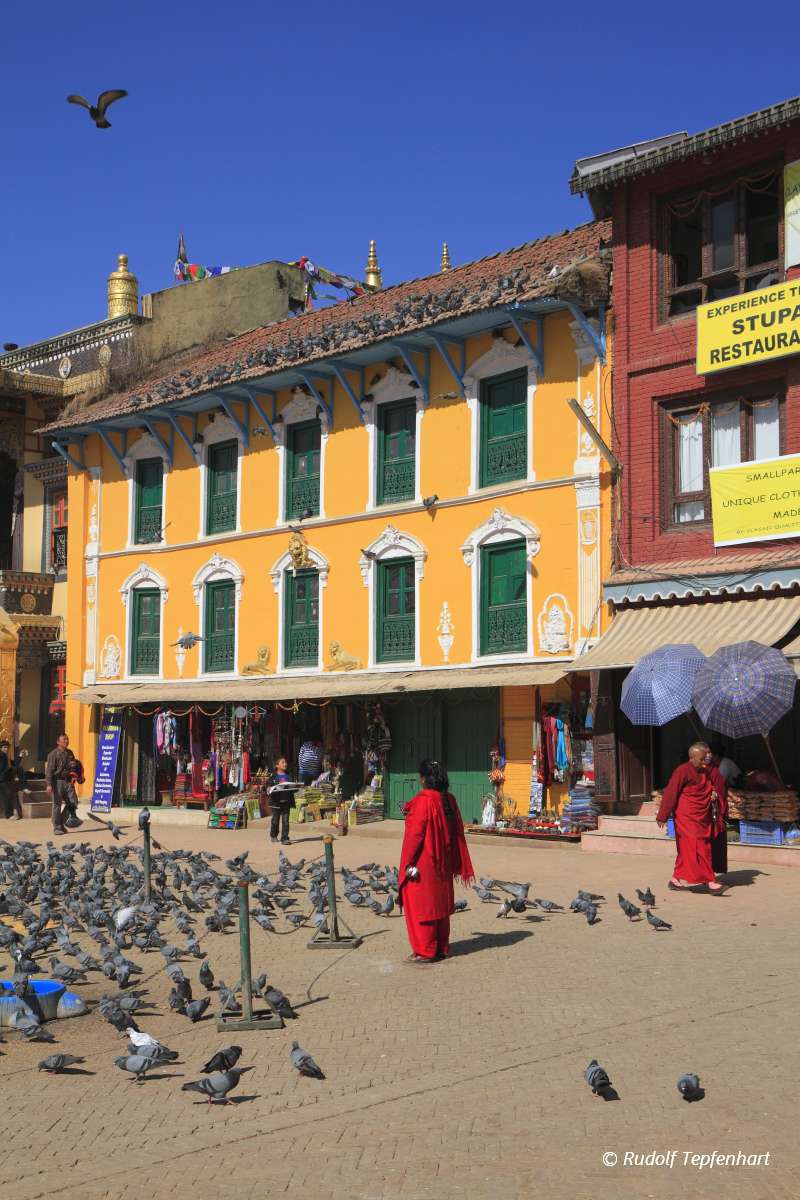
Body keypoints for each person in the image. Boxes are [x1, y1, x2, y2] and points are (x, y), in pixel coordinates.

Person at [398, 759, 475, 964]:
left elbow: (415, 836)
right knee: (439, 904)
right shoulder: (449, 799)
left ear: (423, 779)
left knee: (422, 905)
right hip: (444, 861)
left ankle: (426, 950)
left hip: (425, 861)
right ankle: (441, 946)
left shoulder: (424, 801)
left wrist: (406, 864)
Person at [656, 742, 728, 893]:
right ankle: (710, 880)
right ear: (692, 758)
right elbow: (671, 792)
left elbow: (711, 785)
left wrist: (713, 792)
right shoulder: (682, 771)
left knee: (687, 849)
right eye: (702, 759)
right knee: (700, 846)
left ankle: (675, 879)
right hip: (687, 816)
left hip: (702, 814)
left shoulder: (703, 771)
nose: (704, 762)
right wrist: (663, 815)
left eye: (705, 758)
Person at [45, 733, 79, 835]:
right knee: (57, 805)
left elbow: (73, 766)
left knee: (73, 803)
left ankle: (60, 822)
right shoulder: (53, 754)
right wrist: (49, 784)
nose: (66, 741)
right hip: (57, 782)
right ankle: (57, 827)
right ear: (58, 742)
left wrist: (76, 775)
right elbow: (49, 771)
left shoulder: (70, 753)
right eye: (64, 740)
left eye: (67, 739)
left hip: (68, 781)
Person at [268, 756, 295, 845]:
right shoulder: (273, 776)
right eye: (283, 762)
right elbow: (269, 788)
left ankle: (285, 838)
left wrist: (297, 787)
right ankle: (273, 835)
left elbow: (292, 788)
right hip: (276, 802)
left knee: (286, 821)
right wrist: (270, 789)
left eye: (285, 762)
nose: (285, 764)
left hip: (286, 801)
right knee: (275, 820)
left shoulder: (289, 776)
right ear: (277, 765)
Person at [0, 740, 17, 820]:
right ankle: (9, 815)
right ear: (1, 748)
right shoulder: (1, 755)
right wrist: (10, 769)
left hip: (4, 779)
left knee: (6, 796)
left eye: (7, 747)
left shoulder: (5, 755)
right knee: (7, 796)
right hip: (2, 779)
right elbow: (2, 768)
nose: (6, 749)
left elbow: (13, 764)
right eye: (4, 747)